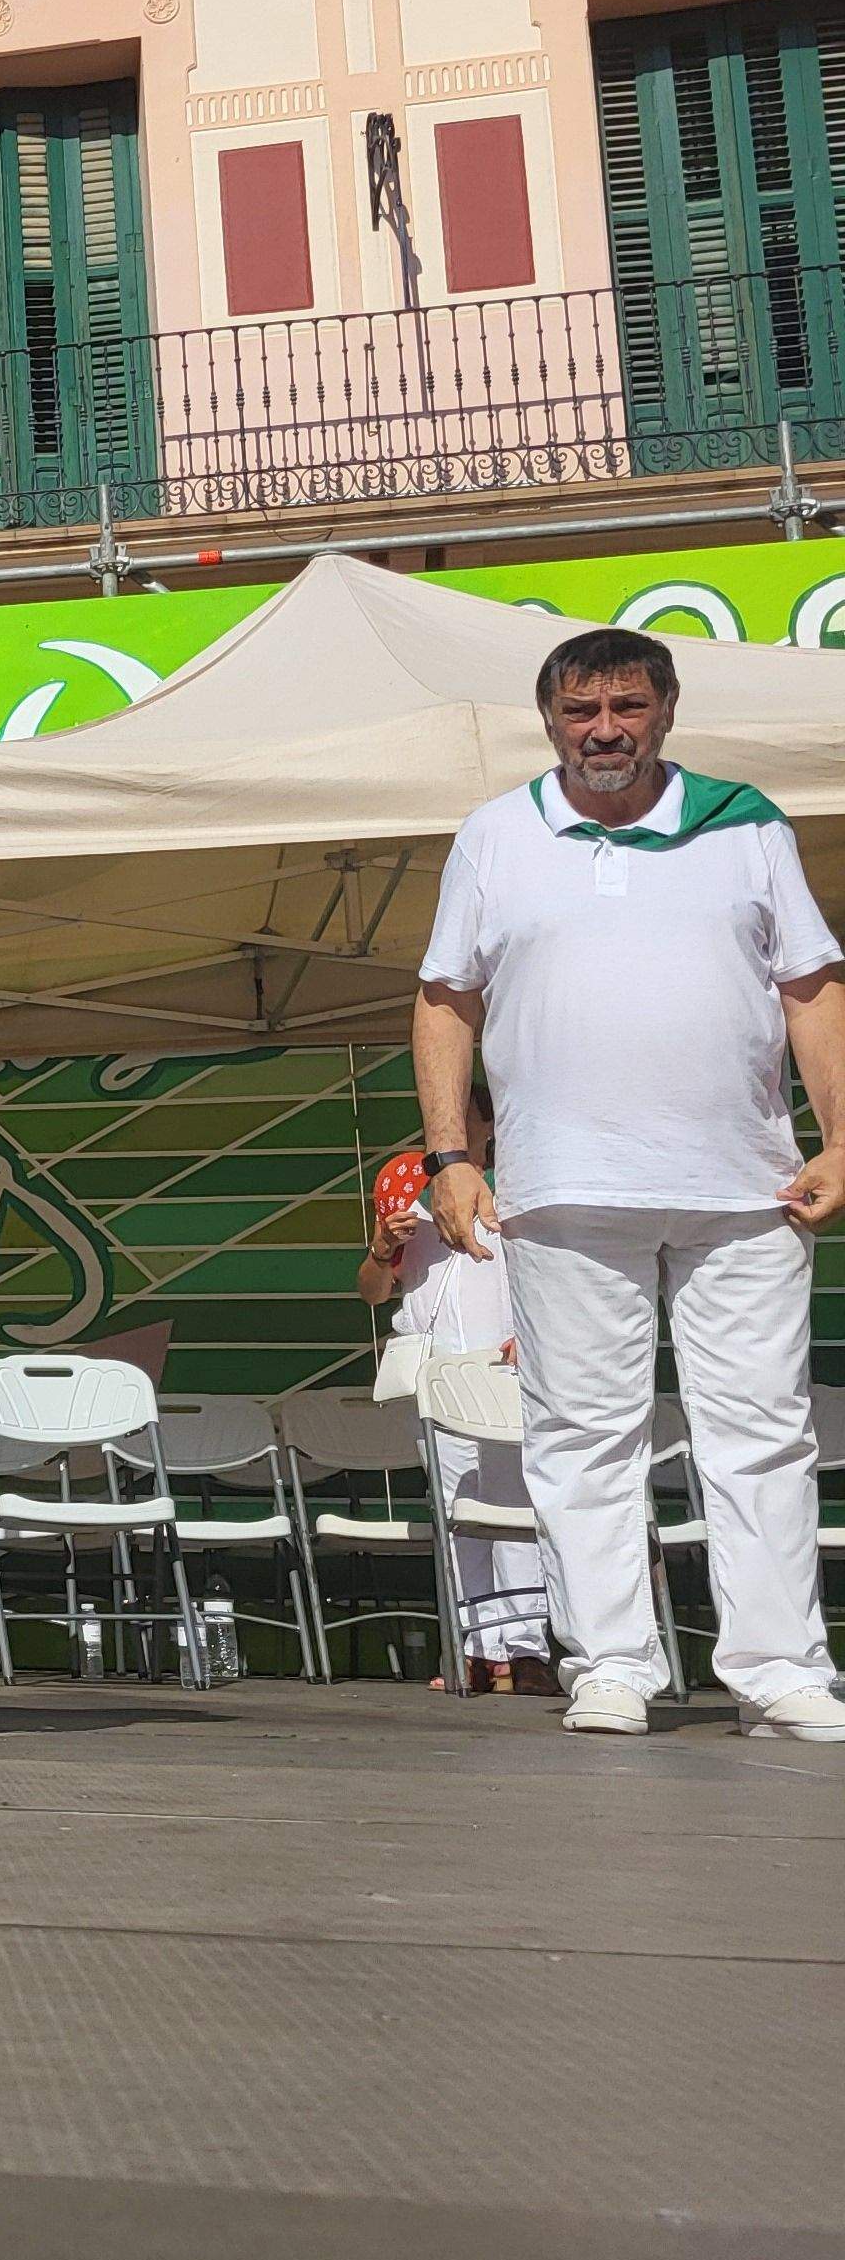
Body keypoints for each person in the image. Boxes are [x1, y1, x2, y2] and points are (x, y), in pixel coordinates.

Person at [412, 625, 845, 1743]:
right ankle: (609, 1663)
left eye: (626, 707)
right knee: (580, 1434)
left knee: (760, 1432)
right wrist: (451, 1157)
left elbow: (810, 984)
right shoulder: (494, 834)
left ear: (666, 710)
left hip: (747, 1187)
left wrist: (841, 1138)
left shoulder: (746, 824)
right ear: (550, 720)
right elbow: (445, 998)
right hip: (562, 1185)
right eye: (580, 711)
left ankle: (780, 1670)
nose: (603, 731)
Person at [353, 1092, 557, 1694]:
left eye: (461, 1112)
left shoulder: (521, 1176)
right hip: (438, 1368)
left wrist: (534, 1331)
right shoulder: (403, 1177)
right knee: (457, 1509)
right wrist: (382, 1248)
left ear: (488, 1120)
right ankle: (473, 1647)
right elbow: (371, 1292)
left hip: (508, 1362)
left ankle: (525, 1649)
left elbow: (549, 1271)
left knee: (516, 1505)